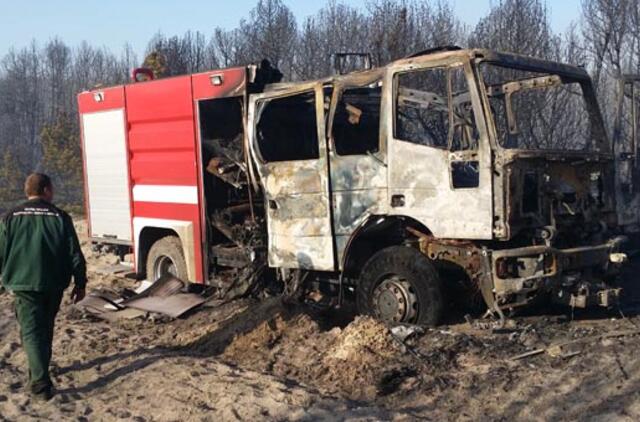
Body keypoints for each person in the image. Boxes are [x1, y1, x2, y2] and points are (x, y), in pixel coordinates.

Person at [0, 173, 87, 401]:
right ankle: (40, 372)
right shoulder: (60, 217)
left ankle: (39, 383)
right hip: (54, 283)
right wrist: (80, 283)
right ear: (47, 190)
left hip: (23, 284)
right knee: (46, 327)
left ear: (27, 190)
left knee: (31, 332)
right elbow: (75, 254)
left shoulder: (10, 217)